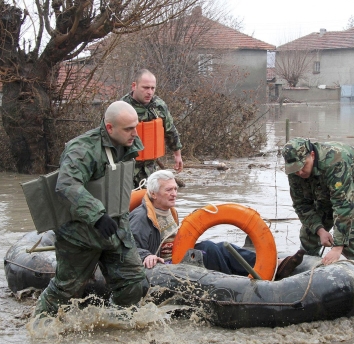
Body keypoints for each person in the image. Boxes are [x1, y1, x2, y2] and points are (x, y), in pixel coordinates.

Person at [34, 101, 149, 317]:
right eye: (128, 128)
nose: (135, 132)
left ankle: (118, 321)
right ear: (109, 128)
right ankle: (40, 325)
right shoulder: (82, 149)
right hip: (81, 232)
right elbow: (67, 184)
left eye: (136, 126)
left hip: (116, 227)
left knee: (133, 280)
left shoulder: (129, 143)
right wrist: (97, 215)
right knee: (66, 288)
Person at [129, 170, 256, 276]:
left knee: (223, 247)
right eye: (168, 190)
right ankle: (235, 281)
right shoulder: (141, 217)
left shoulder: (170, 211)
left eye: (175, 189)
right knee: (209, 249)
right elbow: (129, 248)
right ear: (153, 194)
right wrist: (146, 256)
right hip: (165, 268)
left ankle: (266, 265)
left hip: (179, 255)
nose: (174, 194)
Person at [281, 137, 354, 272]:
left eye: (303, 166)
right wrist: (320, 230)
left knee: (351, 238)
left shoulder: (335, 162)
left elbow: (343, 205)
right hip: (328, 186)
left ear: (312, 155)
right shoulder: (295, 172)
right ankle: (308, 273)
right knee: (309, 234)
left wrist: (338, 247)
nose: (299, 172)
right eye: (294, 169)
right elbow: (301, 205)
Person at [121, 69, 183, 187]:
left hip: (150, 168)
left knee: (151, 201)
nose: (149, 92)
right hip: (127, 168)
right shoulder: (122, 107)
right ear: (134, 86)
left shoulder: (159, 105)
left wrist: (177, 155)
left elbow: (170, 130)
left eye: (152, 88)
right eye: (145, 88)